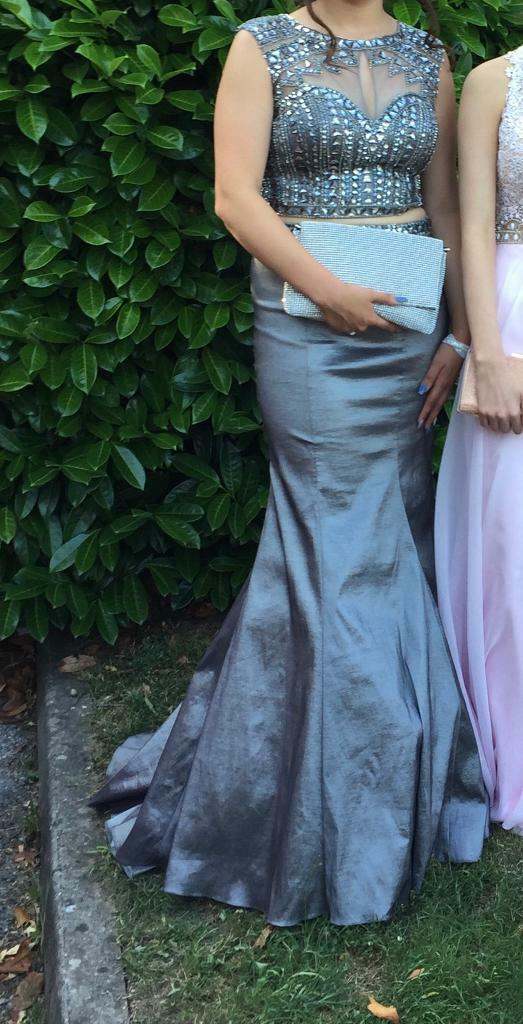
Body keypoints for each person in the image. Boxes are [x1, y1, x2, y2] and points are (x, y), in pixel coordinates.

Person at [89, 1, 488, 927]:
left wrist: (459, 337)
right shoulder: (259, 44)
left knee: (388, 539)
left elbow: (441, 207)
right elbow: (236, 197)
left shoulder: (426, 54)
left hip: (407, 328)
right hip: (307, 328)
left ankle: (392, 778)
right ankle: (334, 808)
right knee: (333, 547)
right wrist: (325, 289)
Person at [435, 46, 523, 836]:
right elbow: (470, 225)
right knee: (506, 536)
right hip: (510, 318)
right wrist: (486, 355)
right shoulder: (495, 81)